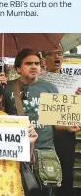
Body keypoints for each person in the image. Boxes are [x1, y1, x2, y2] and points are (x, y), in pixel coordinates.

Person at [3, 49, 81, 196]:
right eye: (28, 63)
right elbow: (0, 117)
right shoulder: (7, 89)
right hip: (17, 152)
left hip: (45, 153)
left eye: (37, 63)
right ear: (18, 68)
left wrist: (68, 127)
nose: (34, 66)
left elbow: (55, 123)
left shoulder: (50, 88)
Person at [42, 47, 81, 196]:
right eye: (51, 53)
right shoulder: (37, 80)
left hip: (65, 135)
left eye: (59, 53)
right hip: (44, 134)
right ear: (44, 59)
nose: (56, 57)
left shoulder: (73, 83)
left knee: (65, 172)